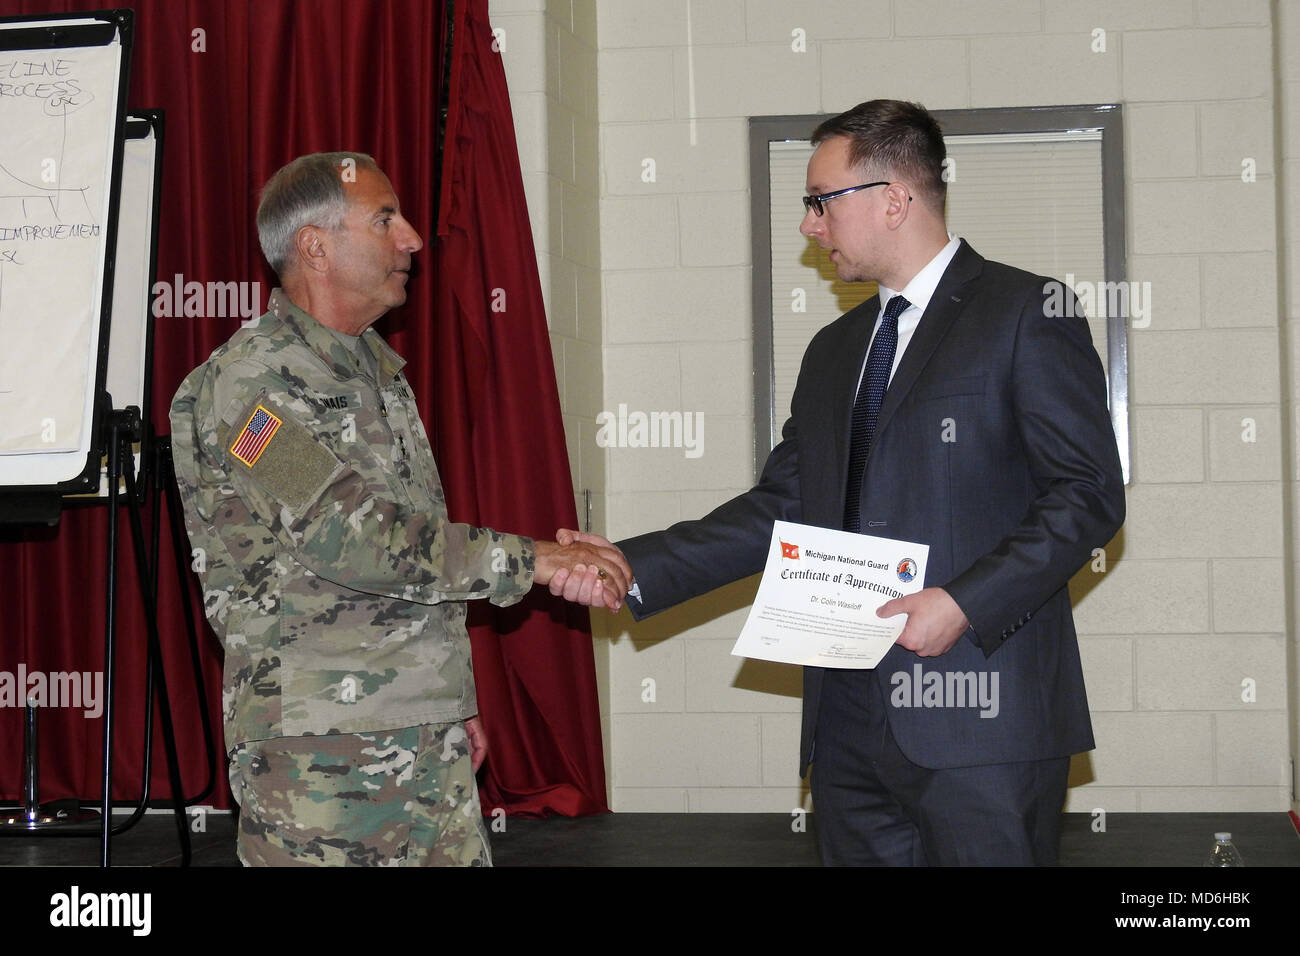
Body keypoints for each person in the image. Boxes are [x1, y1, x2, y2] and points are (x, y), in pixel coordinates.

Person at [557, 100, 1125, 865]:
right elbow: (781, 509)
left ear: (895, 198)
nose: (808, 226)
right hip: (848, 721)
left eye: (820, 201)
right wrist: (631, 564)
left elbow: (1087, 492)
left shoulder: (1025, 312)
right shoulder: (835, 349)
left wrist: (962, 603)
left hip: (981, 718)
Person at [170, 151, 629, 867]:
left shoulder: (375, 370)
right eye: (386, 219)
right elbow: (345, 537)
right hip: (322, 753)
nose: (412, 237)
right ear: (314, 246)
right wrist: (536, 559)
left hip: (416, 727)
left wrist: (449, 695)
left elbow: (416, 561)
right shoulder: (247, 390)